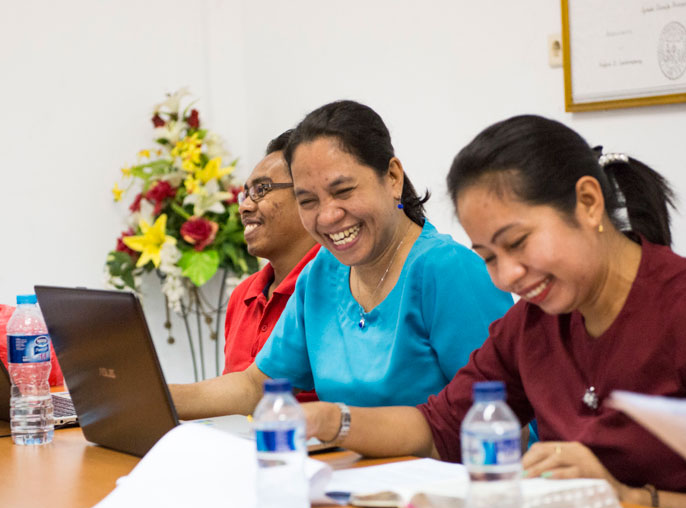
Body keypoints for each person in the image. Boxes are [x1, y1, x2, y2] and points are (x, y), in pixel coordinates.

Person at [300, 114, 686, 508]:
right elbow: (438, 426)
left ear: (588, 202)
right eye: (489, 257)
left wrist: (624, 496)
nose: (508, 276)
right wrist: (331, 421)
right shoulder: (534, 326)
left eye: (518, 243)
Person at [170, 101, 512, 419]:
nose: (328, 216)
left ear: (392, 178)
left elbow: (503, 419)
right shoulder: (322, 272)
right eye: (308, 201)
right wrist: (148, 398)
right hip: (351, 473)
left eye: (344, 191)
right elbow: (254, 385)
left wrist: (338, 425)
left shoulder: (449, 270)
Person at [222, 130, 320, 375]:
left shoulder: (336, 283)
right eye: (245, 195)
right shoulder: (242, 295)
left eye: (261, 190)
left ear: (307, 196)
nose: (244, 207)